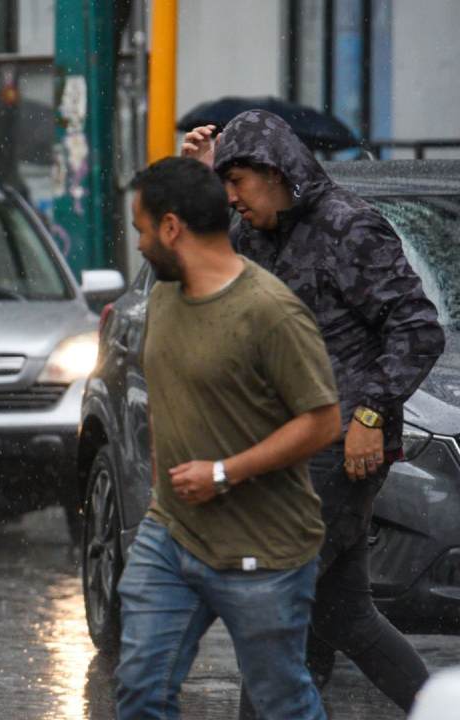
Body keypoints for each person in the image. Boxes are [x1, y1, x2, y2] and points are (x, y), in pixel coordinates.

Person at [184, 110, 444, 715]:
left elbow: (417, 329)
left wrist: (371, 416)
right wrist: (201, 181)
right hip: (285, 447)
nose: (233, 200)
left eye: (238, 184)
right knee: (344, 615)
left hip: (335, 446)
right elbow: (195, 266)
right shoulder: (255, 231)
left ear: (276, 172)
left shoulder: (349, 229)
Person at [114, 157, 342, 719]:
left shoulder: (270, 313)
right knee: (142, 690)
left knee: (280, 704)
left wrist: (224, 472)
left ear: (171, 228)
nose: (139, 244)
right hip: (171, 536)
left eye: (142, 228)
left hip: (263, 551)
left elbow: (322, 420)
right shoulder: (166, 295)